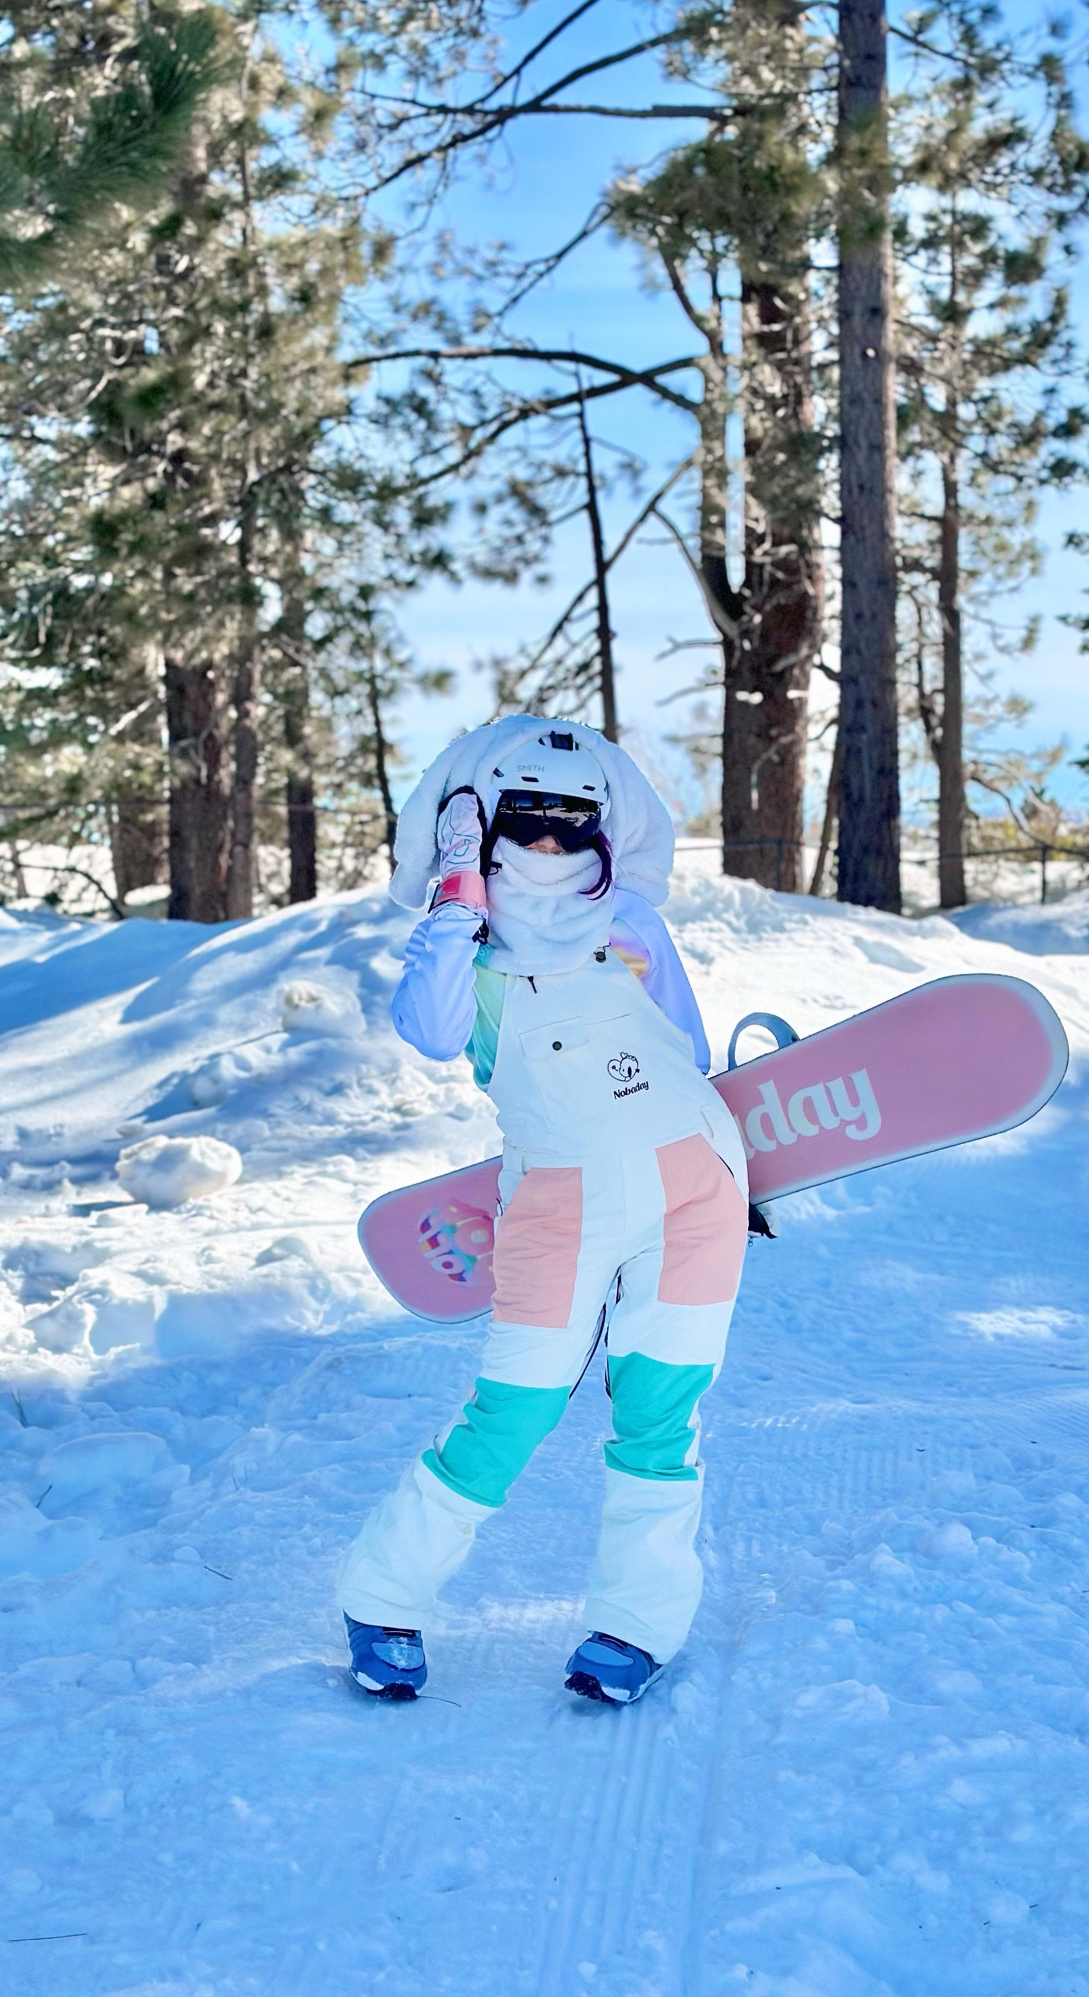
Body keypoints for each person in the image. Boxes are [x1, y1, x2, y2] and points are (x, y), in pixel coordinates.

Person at [337, 717, 750, 1704]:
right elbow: (431, 1033)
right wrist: (453, 896)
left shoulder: (634, 922)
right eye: (528, 819)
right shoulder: (463, 942)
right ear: (480, 820)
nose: (554, 845)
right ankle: (383, 1595)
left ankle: (636, 1624)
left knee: (661, 1412)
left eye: (575, 821)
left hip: (697, 1185)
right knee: (511, 1411)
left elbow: (685, 1047)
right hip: (560, 1196)